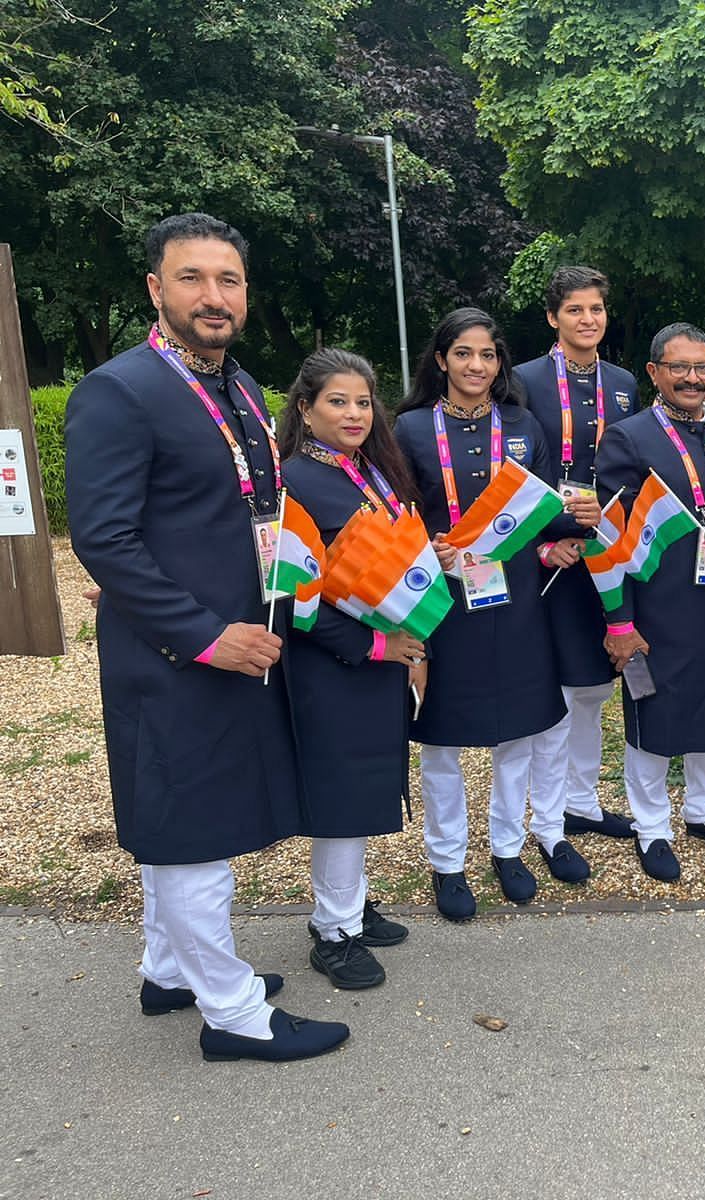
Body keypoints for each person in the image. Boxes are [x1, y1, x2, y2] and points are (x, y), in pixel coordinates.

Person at [65, 212, 347, 1061]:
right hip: (175, 656)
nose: (212, 296)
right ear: (156, 289)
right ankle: (233, 1015)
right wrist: (201, 636)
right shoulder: (119, 391)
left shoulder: (243, 387)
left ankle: (167, 970)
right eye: (192, 278)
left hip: (245, 641)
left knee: (188, 814)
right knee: (193, 829)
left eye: (228, 280)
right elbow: (103, 540)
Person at [395, 307, 585, 920]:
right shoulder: (409, 431)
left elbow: (545, 509)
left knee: (519, 732)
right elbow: (393, 517)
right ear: (441, 360)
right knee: (442, 741)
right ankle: (447, 864)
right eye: (463, 354)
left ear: (500, 363)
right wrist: (428, 543)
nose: (476, 366)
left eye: (488, 355)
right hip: (445, 602)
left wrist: (571, 528)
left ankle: (507, 849)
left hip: (519, 598)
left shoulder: (525, 424)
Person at [594, 323, 705, 883]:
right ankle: (651, 827)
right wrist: (619, 621)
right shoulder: (628, 438)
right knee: (654, 711)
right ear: (655, 373)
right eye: (680, 367)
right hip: (654, 604)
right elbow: (608, 539)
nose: (693, 378)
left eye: (704, 367)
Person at [280, 348, 420, 990]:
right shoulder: (294, 483)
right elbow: (295, 599)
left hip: (380, 657)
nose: (355, 413)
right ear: (306, 410)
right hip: (333, 663)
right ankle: (332, 932)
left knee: (364, 784)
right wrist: (372, 647)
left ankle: (351, 904)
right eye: (338, 401)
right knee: (342, 793)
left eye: (364, 401)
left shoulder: (370, 471)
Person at [512, 267, 640, 847]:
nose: (588, 320)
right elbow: (511, 472)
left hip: (607, 546)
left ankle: (584, 802)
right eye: (575, 310)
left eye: (596, 309)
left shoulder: (623, 382)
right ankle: (550, 817)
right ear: (551, 318)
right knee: (559, 687)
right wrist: (542, 541)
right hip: (553, 550)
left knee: (593, 686)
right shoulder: (521, 380)